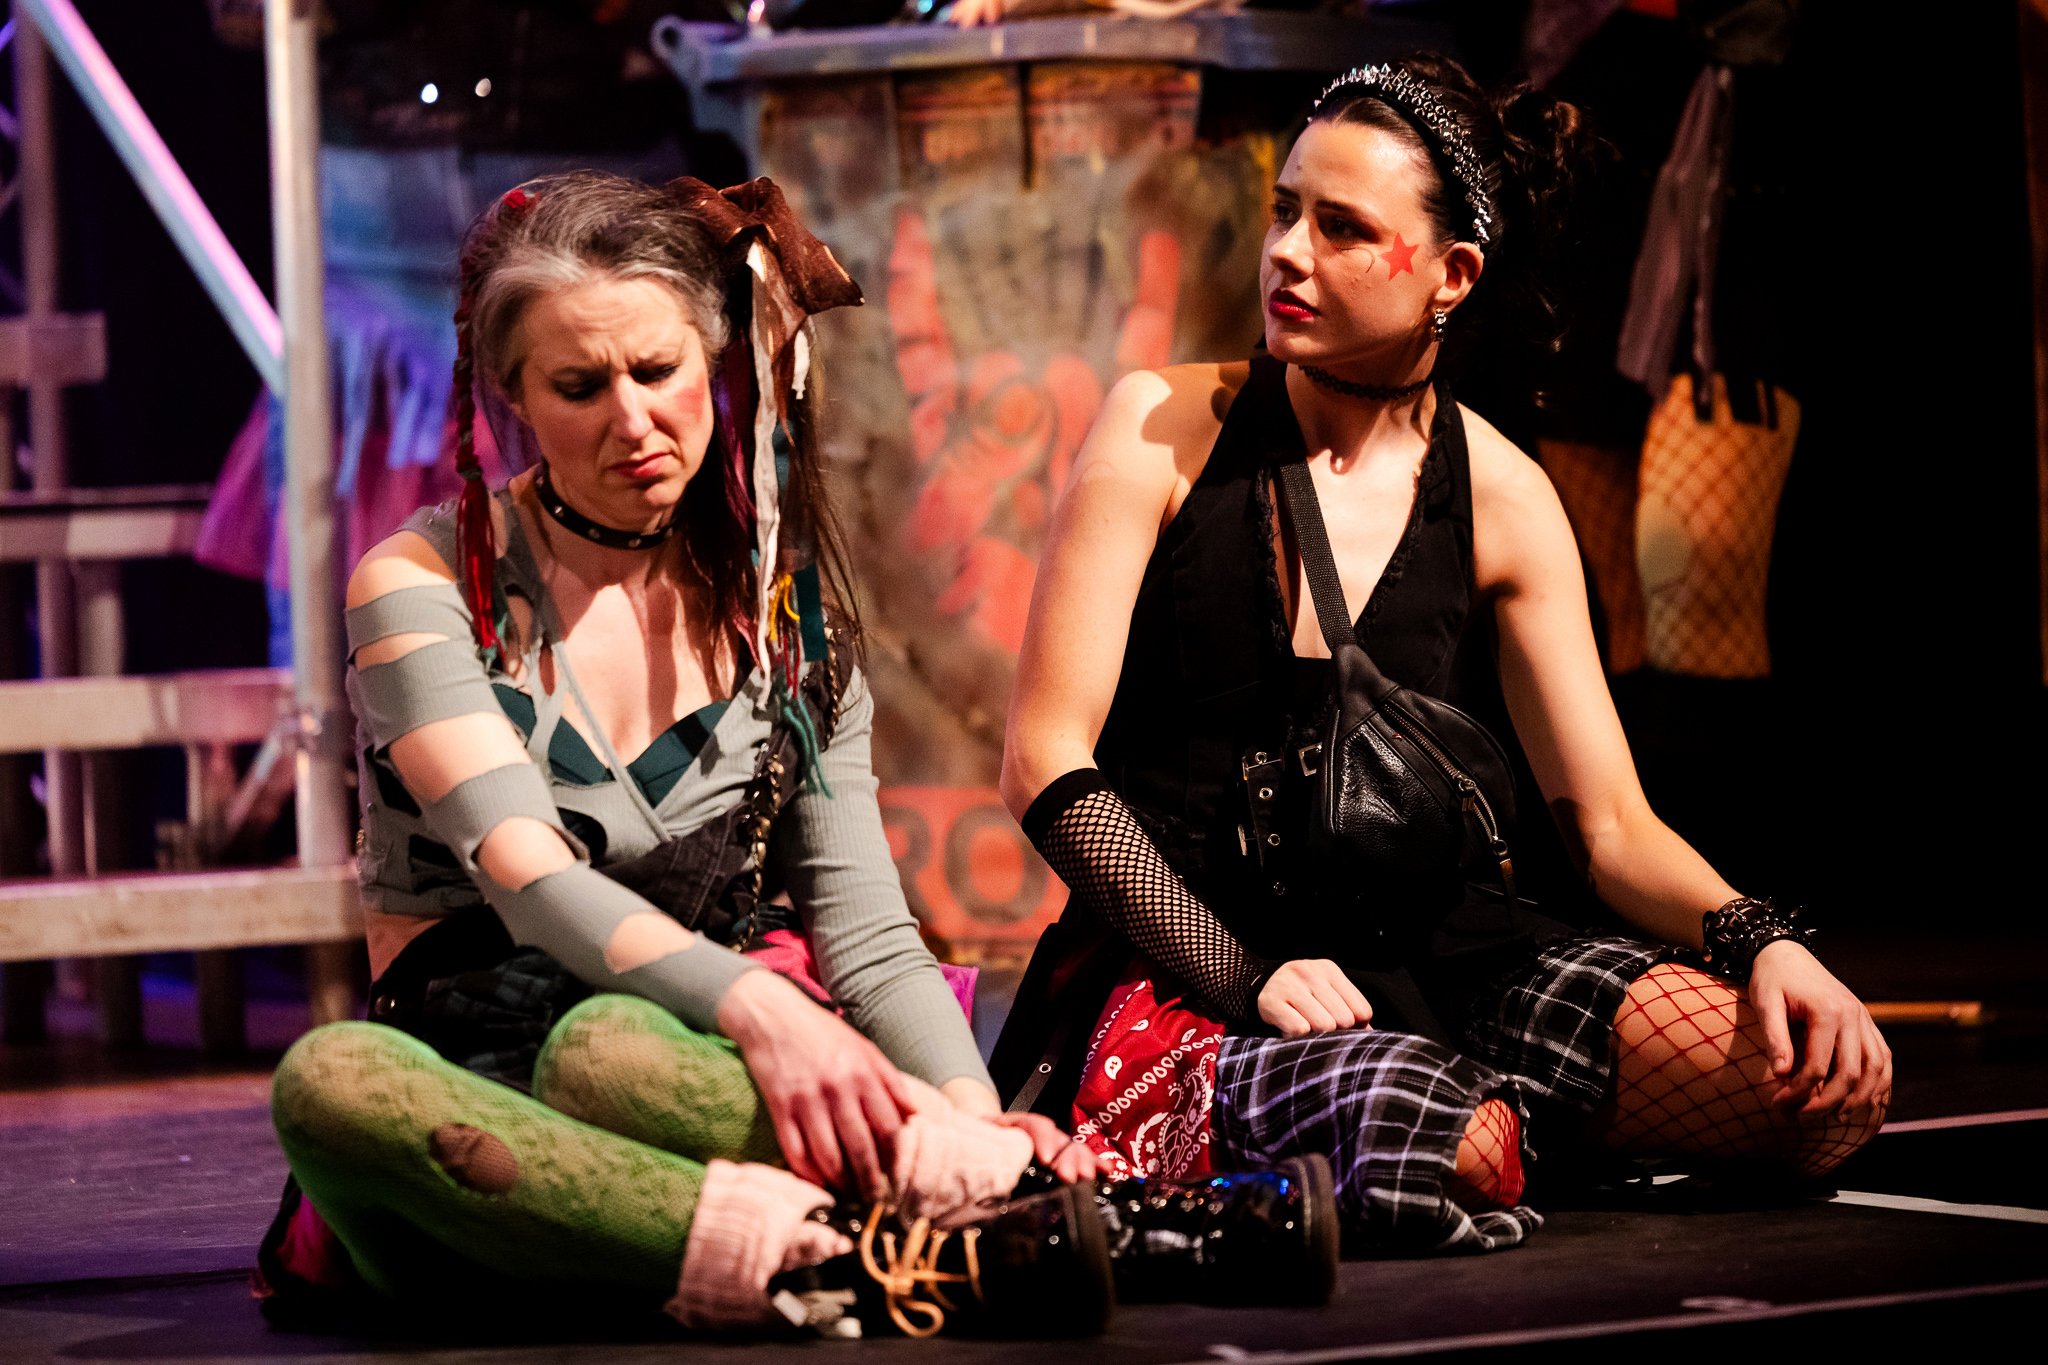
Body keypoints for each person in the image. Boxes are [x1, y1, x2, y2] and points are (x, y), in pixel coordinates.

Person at [990, 56, 1891, 1254]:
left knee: (1818, 1096)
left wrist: (1759, 937)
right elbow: (1043, 764)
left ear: (1450, 276)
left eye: (1342, 228)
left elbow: (1608, 826)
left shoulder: (1503, 494)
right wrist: (1243, 972)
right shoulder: (1161, 427)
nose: (1287, 252)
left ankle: (1492, 1120)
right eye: (1284, 211)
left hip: (1437, 951)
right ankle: (1463, 1125)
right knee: (1450, 1136)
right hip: (1192, 960)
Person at [259, 172, 1115, 1340]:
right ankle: (852, 1264)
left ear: (711, 361)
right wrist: (763, 1011)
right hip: (479, 1114)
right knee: (331, 1084)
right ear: (512, 397)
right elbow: (527, 874)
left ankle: (961, 1209)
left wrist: (971, 1113)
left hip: (668, 1074)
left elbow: (866, 934)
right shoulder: (423, 583)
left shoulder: (786, 621)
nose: (631, 420)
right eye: (579, 386)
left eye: (656, 371)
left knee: (609, 1051)